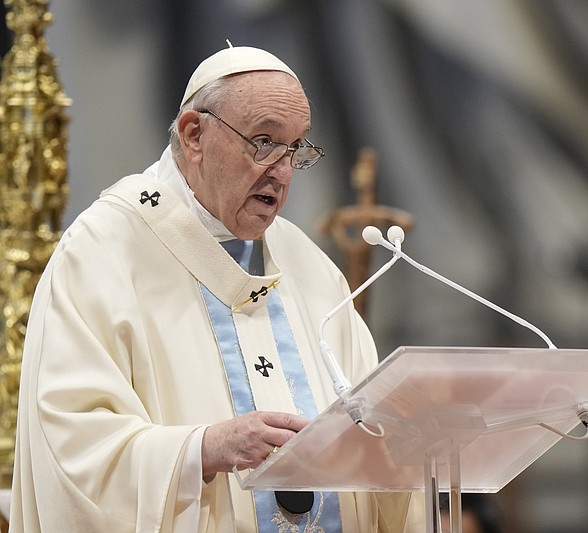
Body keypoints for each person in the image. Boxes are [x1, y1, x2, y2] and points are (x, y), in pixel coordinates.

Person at [10, 44, 421, 532]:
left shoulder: (306, 263)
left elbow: (373, 428)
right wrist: (203, 449)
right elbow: (71, 444)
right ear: (194, 135)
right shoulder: (102, 251)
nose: (283, 173)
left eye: (296, 150)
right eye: (264, 142)